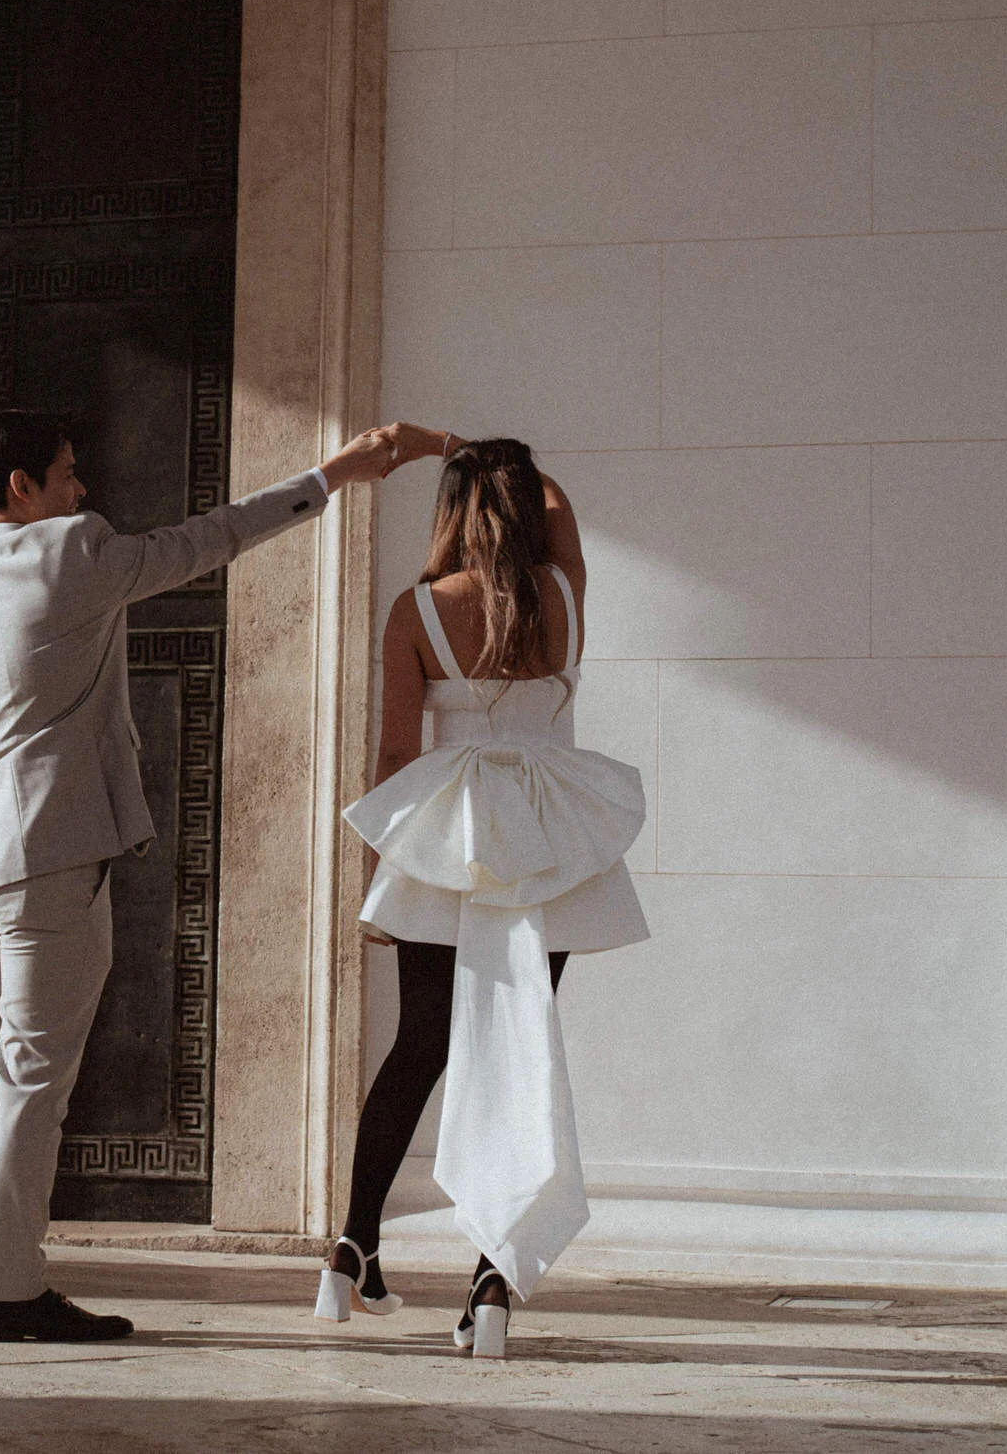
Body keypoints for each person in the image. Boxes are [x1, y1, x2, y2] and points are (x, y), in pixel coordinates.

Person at [0, 408, 412, 1342]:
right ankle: (9, 1289)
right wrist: (331, 476)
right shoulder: (75, 554)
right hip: (49, 858)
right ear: (23, 488)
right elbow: (210, 538)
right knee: (31, 1073)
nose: (82, 491)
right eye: (66, 474)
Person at [317, 431, 649, 1361]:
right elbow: (557, 508)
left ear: (453, 510)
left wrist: (380, 874)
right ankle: (492, 1285)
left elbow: (392, 758)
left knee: (420, 1044)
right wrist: (481, 455)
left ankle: (349, 1252)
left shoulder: (416, 610)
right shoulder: (566, 595)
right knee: (521, 1050)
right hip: (550, 839)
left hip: (448, 839)